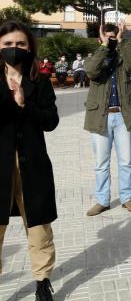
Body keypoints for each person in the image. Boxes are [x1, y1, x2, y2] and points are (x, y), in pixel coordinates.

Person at [0, 20, 60, 301]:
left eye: (20, 44)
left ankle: (42, 282)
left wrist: (26, 105)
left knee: (38, 226)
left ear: (30, 47)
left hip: (32, 164)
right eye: (8, 44)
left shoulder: (40, 81)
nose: (15, 49)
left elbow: (51, 121)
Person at [84, 22, 131, 216]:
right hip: (100, 116)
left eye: (112, 37)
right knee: (101, 163)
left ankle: (127, 197)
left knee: (126, 161)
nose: (110, 40)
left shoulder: (122, 57)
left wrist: (122, 41)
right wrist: (103, 46)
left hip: (123, 115)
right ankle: (102, 200)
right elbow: (91, 71)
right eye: (107, 37)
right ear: (100, 38)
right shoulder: (95, 57)